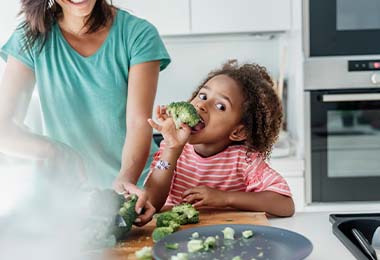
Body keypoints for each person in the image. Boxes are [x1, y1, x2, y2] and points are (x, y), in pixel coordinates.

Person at [0, 0, 170, 223]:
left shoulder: (138, 34)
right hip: (72, 197)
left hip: (135, 188)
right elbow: (4, 126)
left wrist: (124, 181)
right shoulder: (31, 36)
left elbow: (138, 122)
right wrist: (56, 151)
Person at [144, 60, 295, 222]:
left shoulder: (245, 160)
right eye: (203, 95)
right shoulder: (172, 148)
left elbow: (285, 205)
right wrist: (172, 150)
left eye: (221, 106)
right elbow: (151, 202)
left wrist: (225, 198)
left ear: (238, 132)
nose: (202, 105)